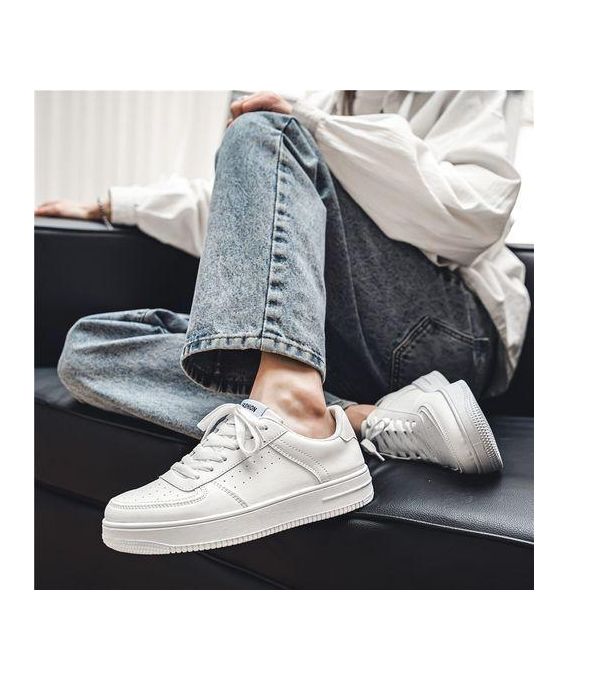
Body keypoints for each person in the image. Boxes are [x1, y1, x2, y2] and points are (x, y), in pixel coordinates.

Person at [36, 90, 530, 555]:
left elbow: (476, 214)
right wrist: (113, 206)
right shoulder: (326, 95)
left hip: (447, 330)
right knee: (90, 347)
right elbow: (257, 213)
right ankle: (348, 418)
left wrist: (311, 130)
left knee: (264, 132)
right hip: (335, 343)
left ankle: (292, 413)